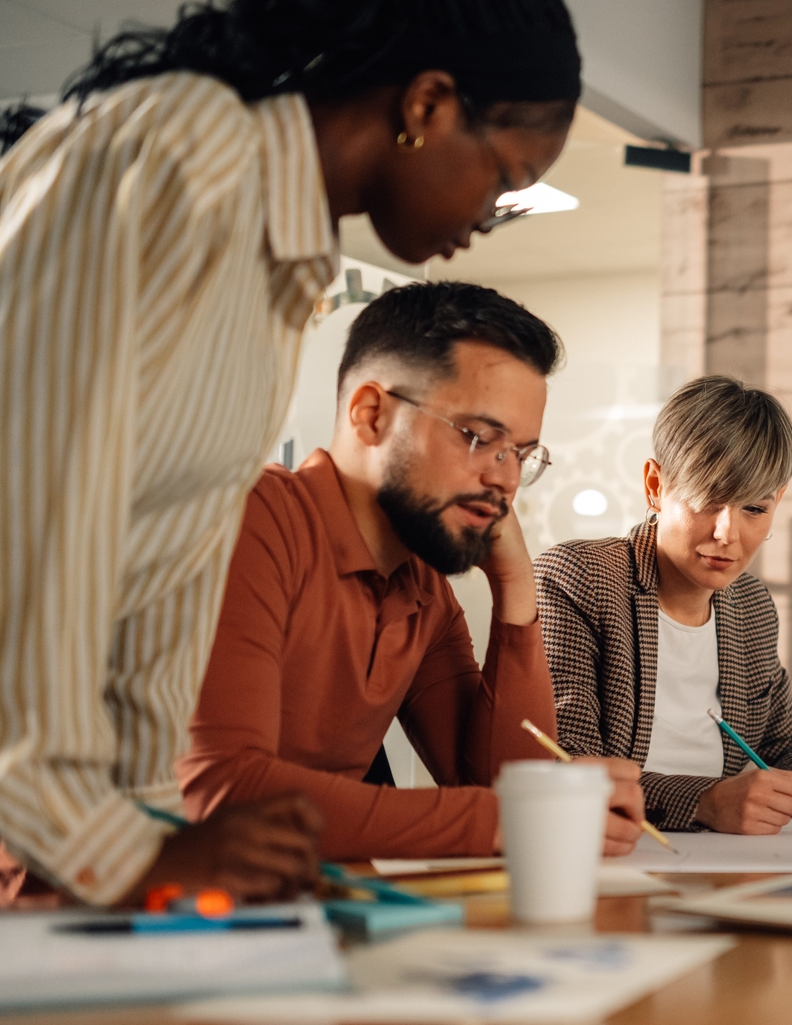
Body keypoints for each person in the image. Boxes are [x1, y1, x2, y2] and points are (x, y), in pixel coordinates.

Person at [0, 0, 582, 904]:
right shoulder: (179, 154)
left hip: (89, 862)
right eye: (501, 177)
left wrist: (161, 843)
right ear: (428, 105)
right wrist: (127, 850)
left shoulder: (281, 265)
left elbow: (153, 601)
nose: (487, 218)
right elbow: (32, 526)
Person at [179, 283, 647, 860]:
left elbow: (498, 787)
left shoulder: (421, 585)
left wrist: (517, 588)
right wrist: (517, 818)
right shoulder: (252, 519)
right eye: (479, 438)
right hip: (126, 922)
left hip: (295, 911)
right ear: (371, 415)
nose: (504, 479)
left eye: (521, 455)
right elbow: (222, 793)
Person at [535, 376, 792, 834]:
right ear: (655, 485)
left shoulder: (750, 605)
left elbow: (787, 737)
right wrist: (703, 801)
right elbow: (565, 762)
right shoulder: (580, 578)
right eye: (707, 499)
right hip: (604, 851)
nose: (727, 534)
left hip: (723, 859)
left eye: (754, 509)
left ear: (777, 503)